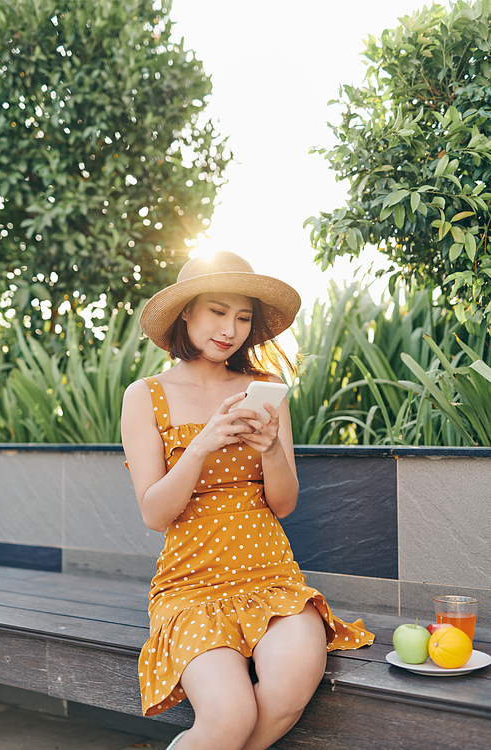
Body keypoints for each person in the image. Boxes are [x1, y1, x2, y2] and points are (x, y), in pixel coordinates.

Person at [121, 251, 374, 750]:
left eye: (242, 317)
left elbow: (284, 503)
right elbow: (154, 513)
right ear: (186, 313)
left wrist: (273, 449)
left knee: (286, 691)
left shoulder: (266, 390)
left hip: (272, 577)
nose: (230, 328)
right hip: (191, 585)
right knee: (229, 716)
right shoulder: (145, 395)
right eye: (217, 311)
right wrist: (201, 444)